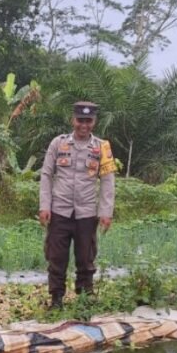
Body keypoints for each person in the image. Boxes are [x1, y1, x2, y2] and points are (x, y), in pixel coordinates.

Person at [39, 101, 116, 309]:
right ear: (73, 120)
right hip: (59, 212)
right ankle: (56, 300)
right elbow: (46, 174)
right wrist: (44, 206)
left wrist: (106, 212)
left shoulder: (102, 147)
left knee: (86, 258)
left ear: (94, 122)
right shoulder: (58, 143)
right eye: (80, 120)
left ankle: (84, 300)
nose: (84, 125)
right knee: (56, 258)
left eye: (88, 121)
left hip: (87, 213)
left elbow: (108, 181)